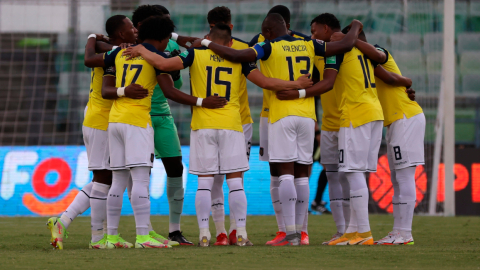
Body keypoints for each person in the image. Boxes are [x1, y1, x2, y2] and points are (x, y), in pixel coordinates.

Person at [123, 22, 313, 247]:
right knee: (235, 183)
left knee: (204, 183)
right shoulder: (239, 58)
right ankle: (240, 232)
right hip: (232, 125)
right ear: (229, 41)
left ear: (209, 36)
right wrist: (296, 83)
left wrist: (142, 50)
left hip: (203, 124)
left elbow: (163, 63)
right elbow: (265, 82)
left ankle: (205, 234)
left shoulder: (194, 53)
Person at [190, 13, 362, 246]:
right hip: (307, 116)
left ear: (268, 33)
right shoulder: (309, 43)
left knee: (285, 174)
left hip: (280, 115)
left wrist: (206, 42)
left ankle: (288, 233)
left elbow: (238, 55)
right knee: (302, 176)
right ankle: (302, 234)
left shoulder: (268, 46)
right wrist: (356, 27)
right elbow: (345, 44)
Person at [276, 13, 384, 246]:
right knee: (347, 174)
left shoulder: (338, 49)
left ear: (327, 29)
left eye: (315, 31)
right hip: (366, 114)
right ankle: (349, 231)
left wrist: (297, 93)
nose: (312, 36)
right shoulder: (361, 50)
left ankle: (363, 233)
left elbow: (328, 82)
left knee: (353, 174)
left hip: (354, 115)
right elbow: (382, 62)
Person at [46, 15, 138, 250]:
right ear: (120, 33)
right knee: (104, 178)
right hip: (100, 119)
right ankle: (98, 238)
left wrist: (93, 39)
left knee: (110, 177)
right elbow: (91, 54)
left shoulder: (118, 49)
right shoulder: (110, 52)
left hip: (111, 119)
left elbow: (97, 46)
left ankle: (70, 223)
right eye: (131, 27)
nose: (135, 30)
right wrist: (90, 38)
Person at [334, 30, 424, 245]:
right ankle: (398, 231)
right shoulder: (359, 62)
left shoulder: (374, 53)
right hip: (395, 119)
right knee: (397, 177)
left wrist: (406, 82)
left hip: (405, 116)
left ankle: (405, 233)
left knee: (404, 176)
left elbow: (391, 76)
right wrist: (407, 82)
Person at [247, 5, 311, 246]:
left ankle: (287, 231)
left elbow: (246, 61)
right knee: (296, 172)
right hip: (303, 112)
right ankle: (298, 231)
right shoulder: (306, 41)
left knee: (279, 173)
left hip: (274, 112)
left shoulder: (263, 41)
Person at [205, 5, 254, 246]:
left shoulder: (197, 47)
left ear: (210, 25)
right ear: (230, 25)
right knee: (237, 179)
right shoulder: (245, 48)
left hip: (208, 122)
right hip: (240, 121)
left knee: (212, 180)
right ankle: (237, 230)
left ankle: (220, 233)